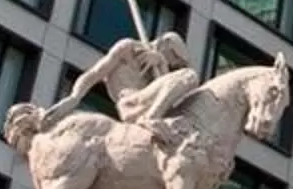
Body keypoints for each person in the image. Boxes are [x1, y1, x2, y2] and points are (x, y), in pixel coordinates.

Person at [42, 31, 189, 128]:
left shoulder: (159, 70)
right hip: (130, 102)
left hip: (149, 105)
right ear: (164, 43)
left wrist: (161, 63)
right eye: (174, 57)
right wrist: (74, 97)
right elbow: (95, 73)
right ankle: (150, 120)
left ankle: (153, 121)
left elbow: (167, 98)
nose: (173, 63)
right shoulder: (128, 48)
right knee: (188, 75)